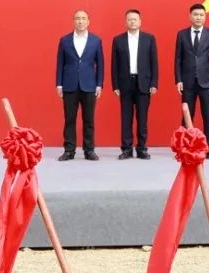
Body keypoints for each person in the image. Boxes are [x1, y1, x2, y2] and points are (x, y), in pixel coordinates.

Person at [55, 10, 104, 161]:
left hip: (89, 85)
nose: (80, 21)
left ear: (88, 21)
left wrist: (99, 84)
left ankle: (89, 150)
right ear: (73, 21)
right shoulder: (65, 40)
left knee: (89, 120)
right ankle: (69, 150)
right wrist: (59, 84)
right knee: (69, 119)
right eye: (77, 18)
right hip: (69, 85)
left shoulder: (96, 40)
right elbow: (60, 63)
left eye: (83, 18)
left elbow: (100, 64)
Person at [175, 3, 209, 159]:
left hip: (206, 81)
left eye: (201, 15)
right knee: (187, 115)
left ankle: (208, 147)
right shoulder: (182, 34)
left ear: (205, 17)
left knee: (208, 116)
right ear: (190, 16)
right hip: (187, 81)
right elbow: (178, 59)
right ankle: (184, 147)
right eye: (195, 14)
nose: (198, 17)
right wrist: (178, 79)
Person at [111, 9, 158, 160]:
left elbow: (154, 63)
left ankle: (142, 148)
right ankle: (126, 149)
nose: (132, 21)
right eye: (129, 19)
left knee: (142, 118)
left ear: (140, 22)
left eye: (135, 19)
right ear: (125, 22)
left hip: (143, 83)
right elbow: (114, 65)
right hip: (125, 83)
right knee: (126, 118)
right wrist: (115, 85)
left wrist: (154, 83)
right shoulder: (118, 40)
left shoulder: (149, 39)